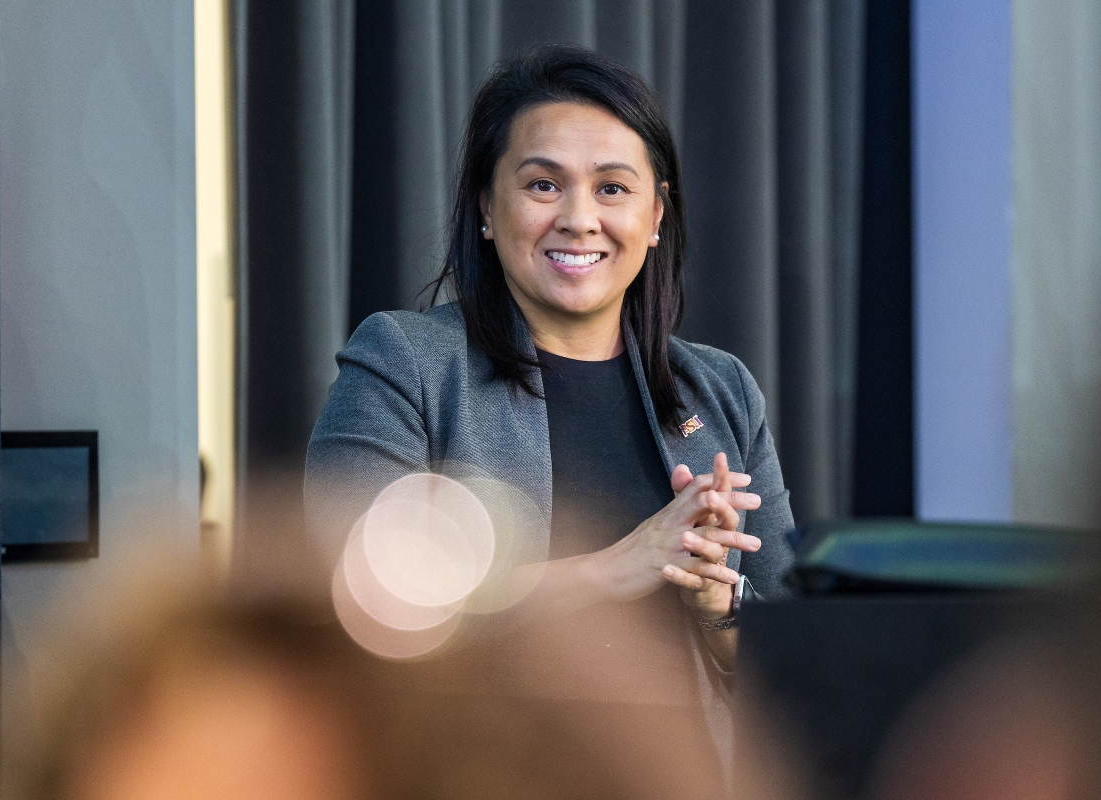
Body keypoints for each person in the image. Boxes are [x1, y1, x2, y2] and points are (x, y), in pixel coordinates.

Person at [305, 43, 795, 773]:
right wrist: (617, 567)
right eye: (542, 184)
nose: (578, 218)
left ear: (655, 215)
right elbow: (345, 606)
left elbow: (802, 670)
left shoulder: (721, 391)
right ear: (486, 207)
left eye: (612, 189)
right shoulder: (406, 362)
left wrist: (719, 605)